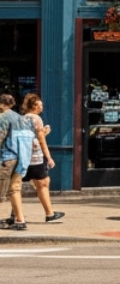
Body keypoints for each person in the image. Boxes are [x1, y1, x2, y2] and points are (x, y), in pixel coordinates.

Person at [18, 95, 61, 224]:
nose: (42, 107)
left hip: (23, 156)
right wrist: (49, 157)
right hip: (35, 157)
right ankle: (49, 213)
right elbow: (41, 141)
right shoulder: (36, 118)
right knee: (42, 184)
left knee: (18, 187)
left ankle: (15, 214)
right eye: (40, 104)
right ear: (34, 106)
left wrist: (42, 134)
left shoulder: (22, 118)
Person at [0, 93, 33, 230]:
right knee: (15, 188)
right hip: (21, 158)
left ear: (1, 104)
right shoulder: (20, 118)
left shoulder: (3, 117)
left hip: (6, 157)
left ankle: (19, 219)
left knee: (6, 189)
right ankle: (16, 217)